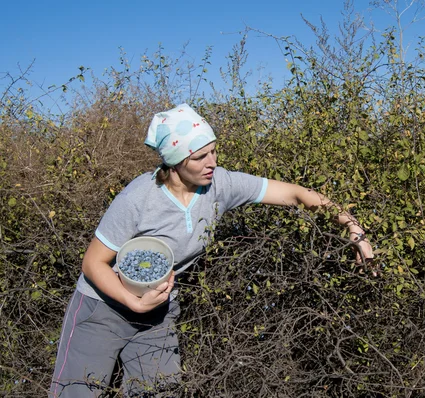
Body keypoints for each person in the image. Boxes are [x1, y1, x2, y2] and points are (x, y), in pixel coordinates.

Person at [49, 103, 374, 397]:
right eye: (200, 157)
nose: (212, 163)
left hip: (158, 311)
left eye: (214, 152)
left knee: (160, 393)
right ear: (175, 162)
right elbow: (93, 263)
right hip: (102, 308)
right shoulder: (138, 198)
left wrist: (351, 225)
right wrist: (132, 301)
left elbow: (294, 194)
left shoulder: (219, 184)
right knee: (76, 394)